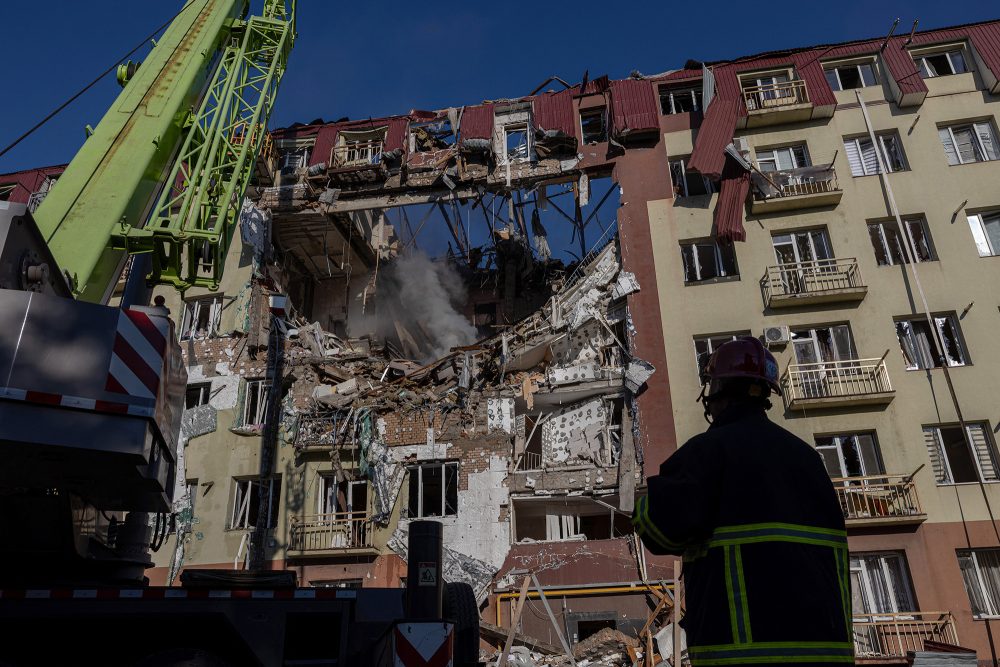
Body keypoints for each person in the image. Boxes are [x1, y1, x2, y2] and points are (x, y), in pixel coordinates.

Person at [633, 337, 853, 666]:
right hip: (826, 652)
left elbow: (661, 530)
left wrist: (638, 503)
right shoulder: (809, 459)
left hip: (744, 653)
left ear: (718, 388)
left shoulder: (710, 452)